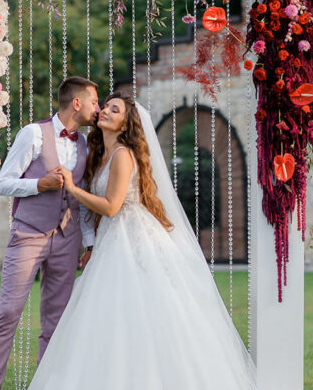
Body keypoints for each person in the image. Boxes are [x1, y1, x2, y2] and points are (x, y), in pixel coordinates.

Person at [27, 92, 259, 389]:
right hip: (111, 239)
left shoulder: (123, 155)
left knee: (145, 309)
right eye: (105, 107)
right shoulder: (101, 155)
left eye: (114, 110)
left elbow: (111, 206)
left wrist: (71, 187)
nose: (105, 112)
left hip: (133, 237)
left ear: (126, 124)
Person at [0, 76, 100, 390]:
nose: (97, 108)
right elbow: (3, 183)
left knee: (56, 321)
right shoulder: (33, 134)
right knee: (8, 312)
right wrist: (40, 185)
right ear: (77, 103)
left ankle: (47, 385)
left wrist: (88, 243)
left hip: (68, 238)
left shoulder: (86, 144)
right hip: (29, 234)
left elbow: (82, 199)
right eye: (94, 102)